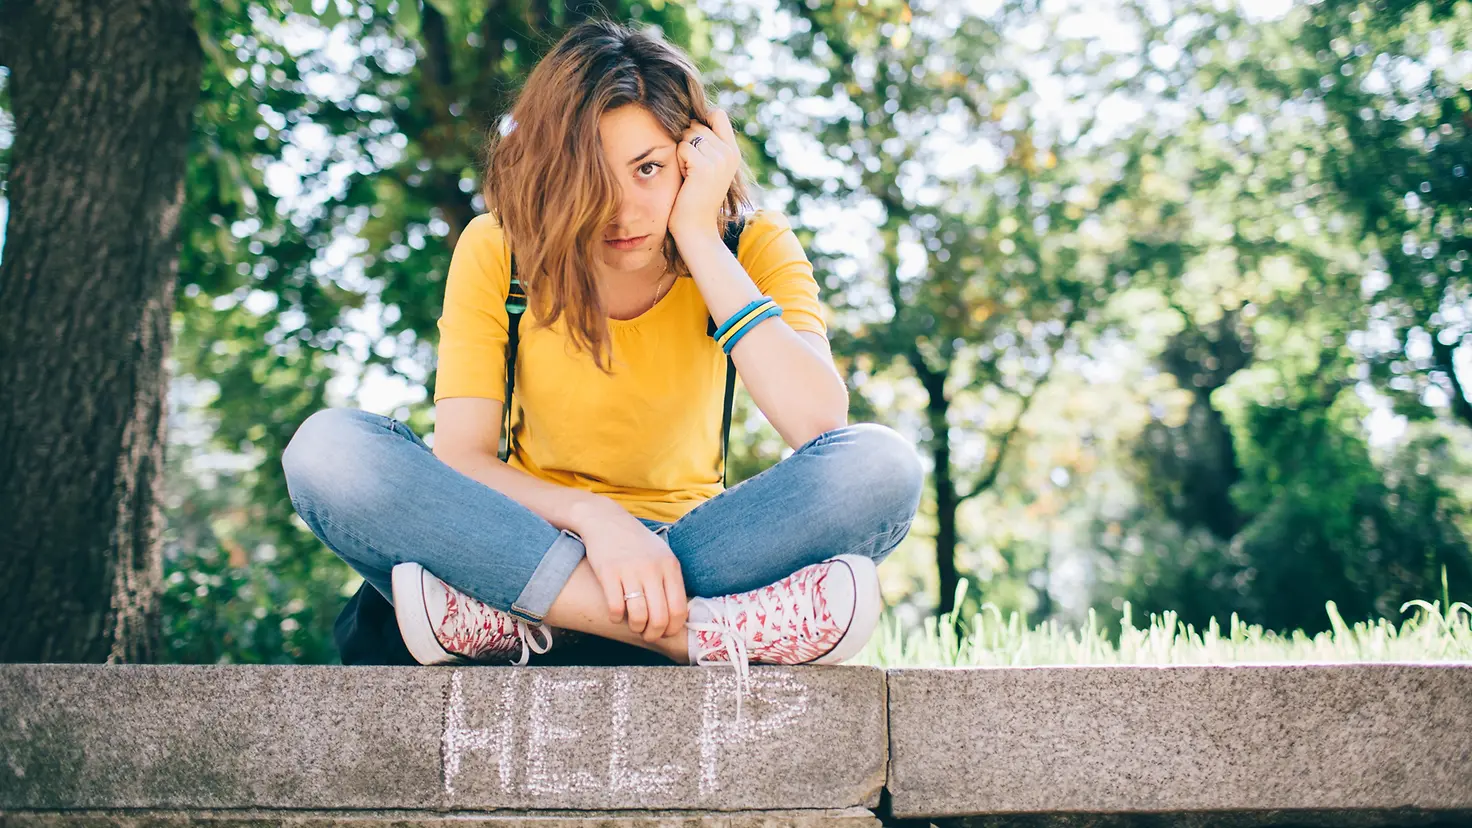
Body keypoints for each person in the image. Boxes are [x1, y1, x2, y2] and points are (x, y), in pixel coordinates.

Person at [280, 18, 924, 711]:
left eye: (649, 168)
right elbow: (462, 459)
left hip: (694, 554)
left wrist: (700, 240)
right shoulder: (501, 248)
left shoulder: (751, 247)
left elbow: (820, 423)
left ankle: (536, 620)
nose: (623, 209)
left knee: (882, 466)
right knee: (329, 452)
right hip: (527, 538)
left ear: (695, 154)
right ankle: (691, 636)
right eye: (590, 174)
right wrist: (596, 521)